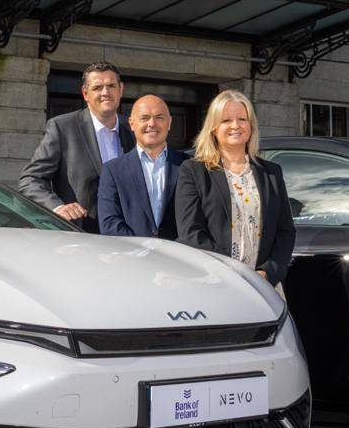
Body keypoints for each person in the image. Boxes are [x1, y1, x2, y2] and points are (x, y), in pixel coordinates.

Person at [174, 90, 295, 289]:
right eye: (226, 120)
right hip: (213, 282)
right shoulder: (194, 171)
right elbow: (190, 232)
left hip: (263, 286)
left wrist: (267, 273)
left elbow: (286, 231)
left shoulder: (271, 173)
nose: (235, 126)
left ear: (251, 126)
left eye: (242, 119)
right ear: (213, 127)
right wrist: (232, 271)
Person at [17, 62, 134, 233]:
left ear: (121, 89)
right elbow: (30, 179)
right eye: (97, 87)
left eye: (111, 86)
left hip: (128, 235)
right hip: (80, 236)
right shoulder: (63, 127)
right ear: (85, 93)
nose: (105, 92)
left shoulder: (134, 129)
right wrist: (57, 208)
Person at [98, 94, 186, 239]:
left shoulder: (188, 166)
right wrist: (142, 250)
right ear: (132, 124)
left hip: (178, 256)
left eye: (159, 117)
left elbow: (196, 220)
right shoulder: (113, 170)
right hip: (131, 258)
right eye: (144, 118)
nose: (152, 123)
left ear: (169, 123)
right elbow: (109, 223)